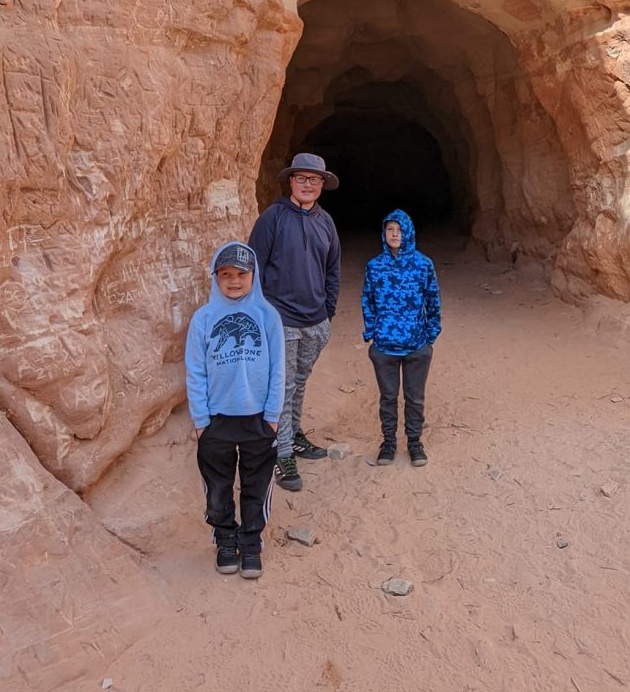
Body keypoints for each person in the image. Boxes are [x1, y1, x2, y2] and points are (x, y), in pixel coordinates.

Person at [185, 241, 285, 579]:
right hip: (217, 420)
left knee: (256, 484)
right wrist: (201, 421)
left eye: (241, 273)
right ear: (215, 277)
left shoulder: (267, 316)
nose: (234, 280)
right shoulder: (203, 318)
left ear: (253, 275)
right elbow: (195, 371)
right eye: (225, 274)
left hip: (258, 418)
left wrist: (272, 415)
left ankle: (251, 541)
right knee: (218, 486)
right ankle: (225, 539)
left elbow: (278, 369)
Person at [249, 151, 341, 493]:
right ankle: (282, 452)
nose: (307, 185)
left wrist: (328, 313)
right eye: (301, 178)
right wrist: (265, 317)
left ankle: (294, 434)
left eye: (313, 180)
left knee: (300, 381)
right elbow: (254, 270)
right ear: (291, 181)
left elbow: (333, 270)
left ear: (322, 185)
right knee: (283, 388)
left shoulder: (325, 222)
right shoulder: (272, 218)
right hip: (281, 321)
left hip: (316, 320)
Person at [361, 209, 441, 467]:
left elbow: (433, 301)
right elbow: (367, 300)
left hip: (417, 345)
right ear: (384, 233)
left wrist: (430, 335)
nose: (395, 234)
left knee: (415, 397)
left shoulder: (423, 264)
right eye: (390, 229)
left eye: (399, 229)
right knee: (388, 397)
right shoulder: (375, 266)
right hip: (385, 346)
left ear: (409, 232)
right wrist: (372, 333)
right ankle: (388, 443)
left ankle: (415, 443)